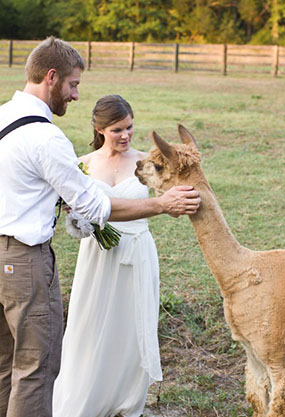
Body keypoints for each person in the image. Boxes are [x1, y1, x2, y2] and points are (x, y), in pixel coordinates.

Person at [0, 37, 200, 417]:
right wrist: (162, 204)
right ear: (52, 77)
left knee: (5, 365)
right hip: (24, 262)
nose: (75, 96)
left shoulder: (3, 117)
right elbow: (93, 206)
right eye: (73, 85)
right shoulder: (45, 136)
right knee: (35, 368)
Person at [53, 94, 163, 417]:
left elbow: (169, 198)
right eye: (117, 130)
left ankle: (125, 402)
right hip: (98, 258)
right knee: (89, 328)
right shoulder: (83, 164)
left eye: (129, 127)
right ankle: (84, 400)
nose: (126, 136)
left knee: (130, 328)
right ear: (100, 130)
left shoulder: (147, 162)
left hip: (137, 252)